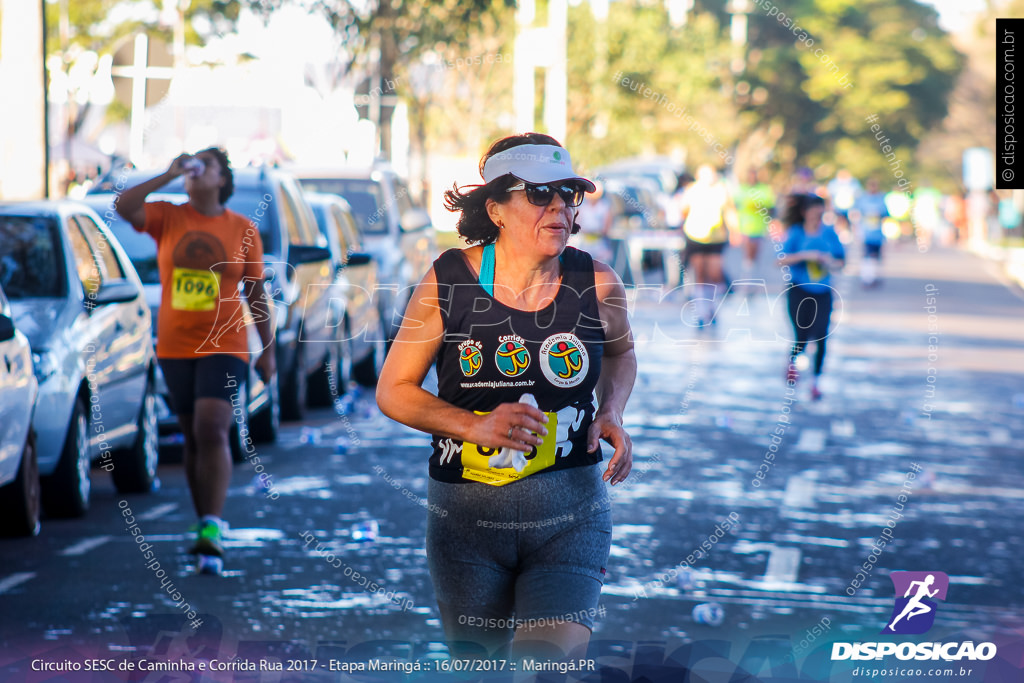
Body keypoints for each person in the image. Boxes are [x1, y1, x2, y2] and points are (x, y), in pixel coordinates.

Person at [376, 133, 636, 662]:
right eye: (540, 194)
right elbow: (394, 391)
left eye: (569, 194)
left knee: (547, 670)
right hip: (466, 523)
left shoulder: (597, 283)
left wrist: (610, 410)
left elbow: (620, 354)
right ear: (495, 207)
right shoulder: (450, 280)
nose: (560, 206)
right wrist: (475, 426)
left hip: (571, 514)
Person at [115, 148, 276, 575]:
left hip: (226, 345)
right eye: (192, 164)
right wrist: (166, 173)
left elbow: (256, 293)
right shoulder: (169, 216)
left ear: (222, 177)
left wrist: (268, 350)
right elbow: (124, 206)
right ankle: (204, 521)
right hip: (174, 345)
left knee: (211, 426)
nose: (195, 169)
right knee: (191, 434)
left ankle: (213, 524)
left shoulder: (242, 229)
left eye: (207, 164)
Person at [777, 193, 845, 401]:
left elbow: (841, 261)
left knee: (822, 335)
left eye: (820, 212)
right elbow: (780, 260)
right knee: (802, 335)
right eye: (814, 211)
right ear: (805, 212)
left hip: (823, 292)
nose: (817, 216)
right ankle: (792, 362)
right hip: (798, 290)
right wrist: (806, 256)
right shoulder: (796, 233)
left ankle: (816, 382)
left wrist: (829, 262)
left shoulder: (829, 233)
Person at [675, 164, 737, 328]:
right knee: (700, 274)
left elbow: (729, 211)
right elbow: (683, 210)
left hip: (716, 238)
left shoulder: (721, 190)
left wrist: (734, 230)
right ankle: (702, 311)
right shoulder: (692, 190)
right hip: (696, 236)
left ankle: (712, 307)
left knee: (715, 274)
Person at [734, 167, 775, 280]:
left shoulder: (764, 189)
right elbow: (735, 206)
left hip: (759, 227)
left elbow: (770, 207)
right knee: (747, 253)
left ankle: (754, 275)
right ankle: (747, 275)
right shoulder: (741, 189)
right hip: (744, 227)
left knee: (755, 253)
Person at [851, 178, 888, 287]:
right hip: (866, 232)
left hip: (877, 233)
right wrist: (856, 229)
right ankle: (867, 278)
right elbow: (855, 213)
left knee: (875, 256)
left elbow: (886, 214)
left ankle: (872, 276)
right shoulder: (863, 199)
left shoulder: (881, 199)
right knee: (867, 254)